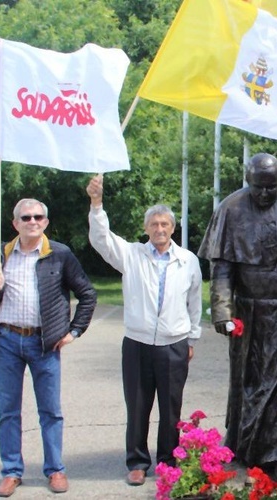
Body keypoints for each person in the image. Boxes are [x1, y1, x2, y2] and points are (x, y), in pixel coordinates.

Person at [198, 152, 277, 480]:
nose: (265, 194)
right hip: (249, 313)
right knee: (249, 384)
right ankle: (246, 447)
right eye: (258, 187)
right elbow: (222, 270)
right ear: (248, 181)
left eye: (272, 188)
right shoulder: (231, 209)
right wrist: (223, 312)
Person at [0, 199, 97, 497]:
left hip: (45, 343)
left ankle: (55, 469)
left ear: (45, 222)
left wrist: (74, 332)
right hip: (7, 341)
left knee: (51, 411)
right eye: (25, 217)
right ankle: (11, 471)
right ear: (15, 223)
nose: (32, 221)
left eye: (38, 216)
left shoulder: (59, 254)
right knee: (8, 411)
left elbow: (87, 294)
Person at [86, 174, 203, 487]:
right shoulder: (132, 255)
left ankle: (167, 460)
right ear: (146, 228)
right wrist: (97, 205)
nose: (159, 229)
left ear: (173, 228)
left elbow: (194, 302)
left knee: (171, 407)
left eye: (165, 224)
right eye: (154, 224)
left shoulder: (188, 260)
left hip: (174, 344)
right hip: (137, 343)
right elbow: (101, 240)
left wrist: (192, 338)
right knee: (137, 406)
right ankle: (137, 462)